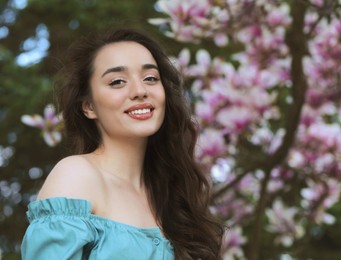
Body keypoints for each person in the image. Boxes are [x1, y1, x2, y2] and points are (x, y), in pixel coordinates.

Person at [21, 28, 224, 260]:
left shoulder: (174, 194)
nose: (140, 91)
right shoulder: (76, 176)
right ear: (89, 106)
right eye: (117, 81)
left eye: (151, 78)